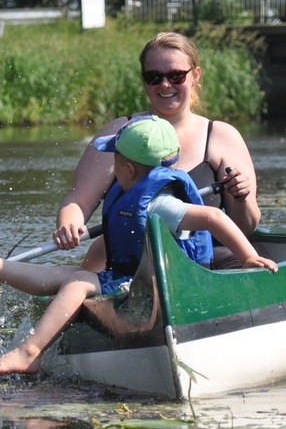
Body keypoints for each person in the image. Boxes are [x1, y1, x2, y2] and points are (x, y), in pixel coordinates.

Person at [0, 116, 277, 377]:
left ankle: (29, 353)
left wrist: (248, 256)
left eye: (116, 161)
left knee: (76, 282)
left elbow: (211, 217)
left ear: (129, 169)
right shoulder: (137, 192)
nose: (113, 167)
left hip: (168, 288)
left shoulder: (159, 204)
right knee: (66, 276)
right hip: (133, 278)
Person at [54, 31, 261, 271]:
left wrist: (241, 198)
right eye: (154, 77)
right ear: (144, 81)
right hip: (134, 264)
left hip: (205, 262)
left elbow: (246, 227)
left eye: (175, 76)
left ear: (195, 76)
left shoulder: (222, 136)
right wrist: (69, 223)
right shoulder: (119, 133)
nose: (165, 84)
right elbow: (78, 201)